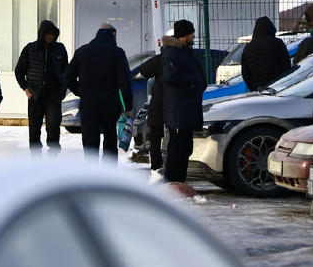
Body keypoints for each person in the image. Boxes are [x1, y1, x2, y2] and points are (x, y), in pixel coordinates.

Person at [65, 24, 132, 165]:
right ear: (112, 35)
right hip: (110, 104)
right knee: (110, 139)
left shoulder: (82, 52)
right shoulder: (118, 53)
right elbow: (124, 83)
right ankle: (109, 173)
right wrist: (128, 107)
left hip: (88, 104)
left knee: (90, 141)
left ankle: (92, 172)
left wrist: (81, 92)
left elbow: (68, 77)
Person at [162, 19, 208, 183]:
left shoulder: (185, 52)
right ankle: (171, 183)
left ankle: (178, 182)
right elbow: (170, 78)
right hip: (179, 111)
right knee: (177, 149)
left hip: (186, 109)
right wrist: (193, 80)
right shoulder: (173, 53)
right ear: (183, 35)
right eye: (191, 33)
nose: (194, 35)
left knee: (185, 148)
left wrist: (198, 82)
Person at [14, 20, 69, 154]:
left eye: (53, 34)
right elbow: (19, 71)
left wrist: (63, 87)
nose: (50, 37)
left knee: (53, 127)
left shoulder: (59, 49)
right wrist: (26, 88)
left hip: (54, 95)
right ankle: (35, 158)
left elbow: (66, 70)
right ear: (42, 34)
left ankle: (53, 157)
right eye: (48, 34)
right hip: (35, 95)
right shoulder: (30, 49)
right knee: (34, 129)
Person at [240, 15, 291, 92]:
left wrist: (253, 88)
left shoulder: (248, 48)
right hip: (277, 87)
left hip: (259, 89)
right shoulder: (278, 43)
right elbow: (286, 66)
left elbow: (245, 73)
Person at [138, 51, 167, 181]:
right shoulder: (186, 57)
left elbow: (144, 70)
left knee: (155, 137)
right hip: (174, 106)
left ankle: (156, 169)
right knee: (174, 138)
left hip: (159, 105)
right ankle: (165, 169)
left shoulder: (161, 59)